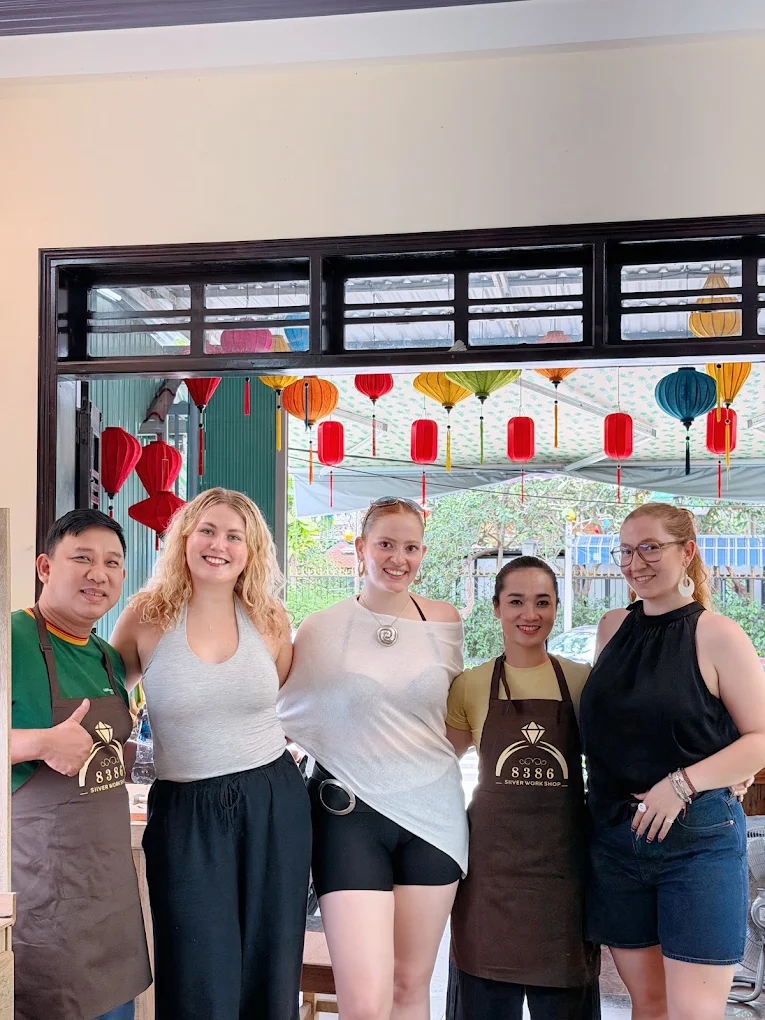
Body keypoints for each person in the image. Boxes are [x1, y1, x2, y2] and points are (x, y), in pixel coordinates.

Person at [110, 488, 311, 1020]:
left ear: (251, 551)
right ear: (184, 538)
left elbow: (283, 698)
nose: (218, 545)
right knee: (196, 968)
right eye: (207, 531)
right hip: (184, 810)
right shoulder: (146, 615)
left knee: (271, 961)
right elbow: (109, 700)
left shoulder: (270, 617)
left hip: (272, 800)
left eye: (233, 536)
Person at [277, 495, 467, 1020]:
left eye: (411, 548)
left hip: (433, 818)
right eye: (385, 544)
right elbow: (287, 714)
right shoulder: (321, 626)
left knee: (410, 986)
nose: (398, 558)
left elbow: (454, 718)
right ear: (361, 547)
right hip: (349, 818)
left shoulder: (444, 621)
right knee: (363, 1001)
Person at [579, 503, 765, 1020]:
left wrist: (682, 783)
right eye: (625, 550)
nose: (634, 563)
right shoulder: (611, 627)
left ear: (687, 552)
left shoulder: (717, 634)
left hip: (697, 842)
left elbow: (760, 738)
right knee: (648, 1005)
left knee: (693, 1012)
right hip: (615, 838)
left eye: (649, 548)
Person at [445, 555, 600, 1020]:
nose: (529, 614)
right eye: (516, 601)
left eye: (542, 602)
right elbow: (434, 764)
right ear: (496, 608)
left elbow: (621, 758)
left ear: (556, 608)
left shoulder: (582, 681)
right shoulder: (470, 685)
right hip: (490, 876)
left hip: (564, 878)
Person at [11, 509, 151, 1020]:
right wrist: (40, 743)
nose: (99, 574)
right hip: (41, 891)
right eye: (83, 558)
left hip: (108, 895)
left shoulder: (109, 659)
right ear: (45, 567)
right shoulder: (11, 638)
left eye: (112, 563)